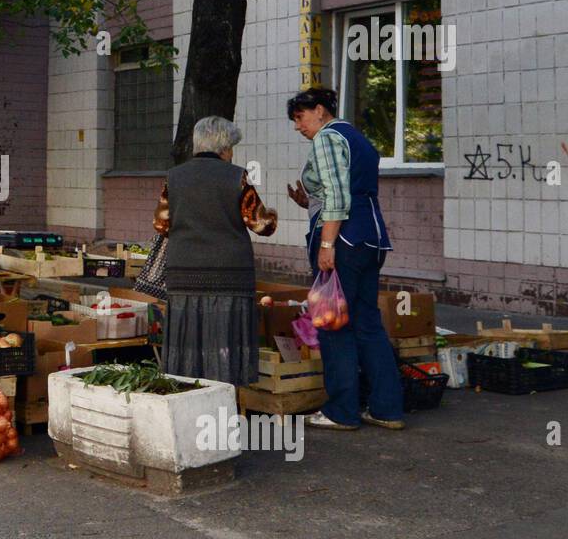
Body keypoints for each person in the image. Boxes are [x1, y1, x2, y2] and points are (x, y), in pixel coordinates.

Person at [286, 87, 404, 431]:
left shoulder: (326, 138)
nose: (298, 126)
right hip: (373, 238)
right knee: (368, 323)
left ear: (320, 111)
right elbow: (349, 187)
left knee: (332, 322)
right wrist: (306, 201)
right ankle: (387, 408)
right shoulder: (358, 138)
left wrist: (326, 244)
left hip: (342, 239)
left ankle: (341, 411)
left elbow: (338, 195)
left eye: (300, 117)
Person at [156, 116, 277, 386]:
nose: (232, 153)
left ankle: (186, 393)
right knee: (224, 339)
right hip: (229, 275)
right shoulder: (236, 176)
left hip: (183, 273)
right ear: (223, 147)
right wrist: (273, 215)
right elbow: (261, 225)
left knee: (188, 341)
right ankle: (223, 400)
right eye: (231, 146)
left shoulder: (174, 177)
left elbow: (161, 224)